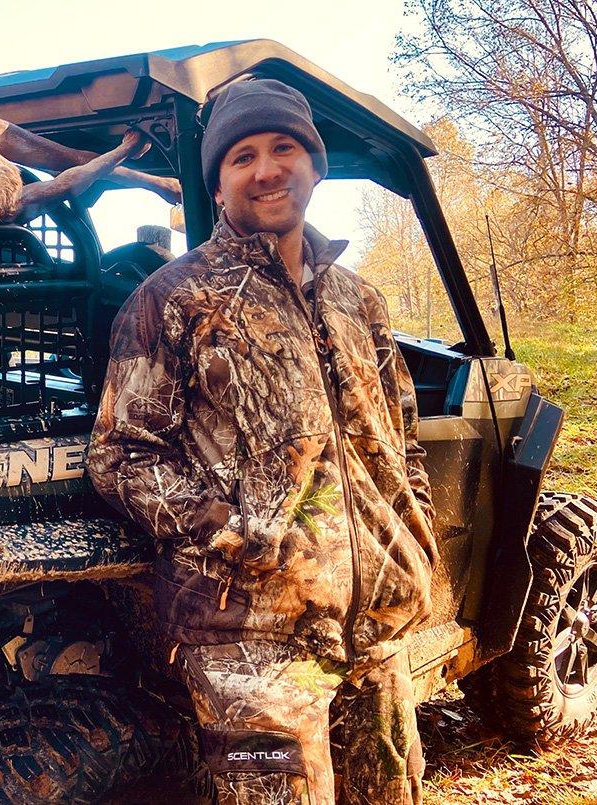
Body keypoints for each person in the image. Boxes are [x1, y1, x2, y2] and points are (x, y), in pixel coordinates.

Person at [87, 78, 438, 804]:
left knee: (394, 792)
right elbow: (120, 455)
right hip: (252, 639)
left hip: (377, 626)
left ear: (316, 166)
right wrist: (240, 531)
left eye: (285, 148)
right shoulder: (170, 300)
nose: (267, 168)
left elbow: (399, 436)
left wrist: (413, 531)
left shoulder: (357, 299)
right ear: (218, 186)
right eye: (242, 156)